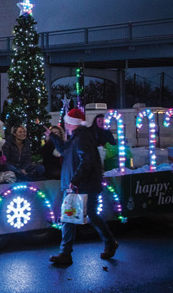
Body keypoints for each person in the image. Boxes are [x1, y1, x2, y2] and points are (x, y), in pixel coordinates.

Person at [47, 109, 118, 265]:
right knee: (88, 215)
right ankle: (109, 242)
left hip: (80, 185)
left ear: (73, 123)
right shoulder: (78, 136)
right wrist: (53, 136)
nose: (65, 124)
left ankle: (66, 253)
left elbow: (87, 159)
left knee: (68, 217)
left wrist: (75, 180)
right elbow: (65, 150)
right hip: (83, 184)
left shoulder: (82, 137)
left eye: (67, 122)